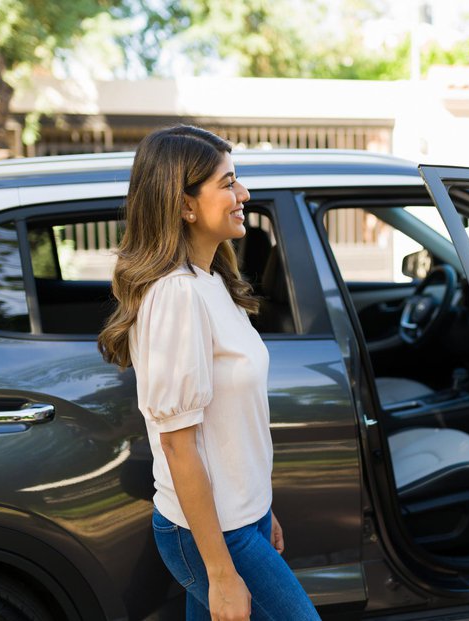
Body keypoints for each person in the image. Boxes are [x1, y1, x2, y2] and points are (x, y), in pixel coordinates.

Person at [97, 125, 321, 621]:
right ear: (184, 205)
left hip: (241, 518)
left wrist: (262, 507)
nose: (244, 194)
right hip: (213, 532)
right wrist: (220, 573)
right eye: (228, 183)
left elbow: (230, 428)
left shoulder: (212, 280)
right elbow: (178, 443)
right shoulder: (176, 295)